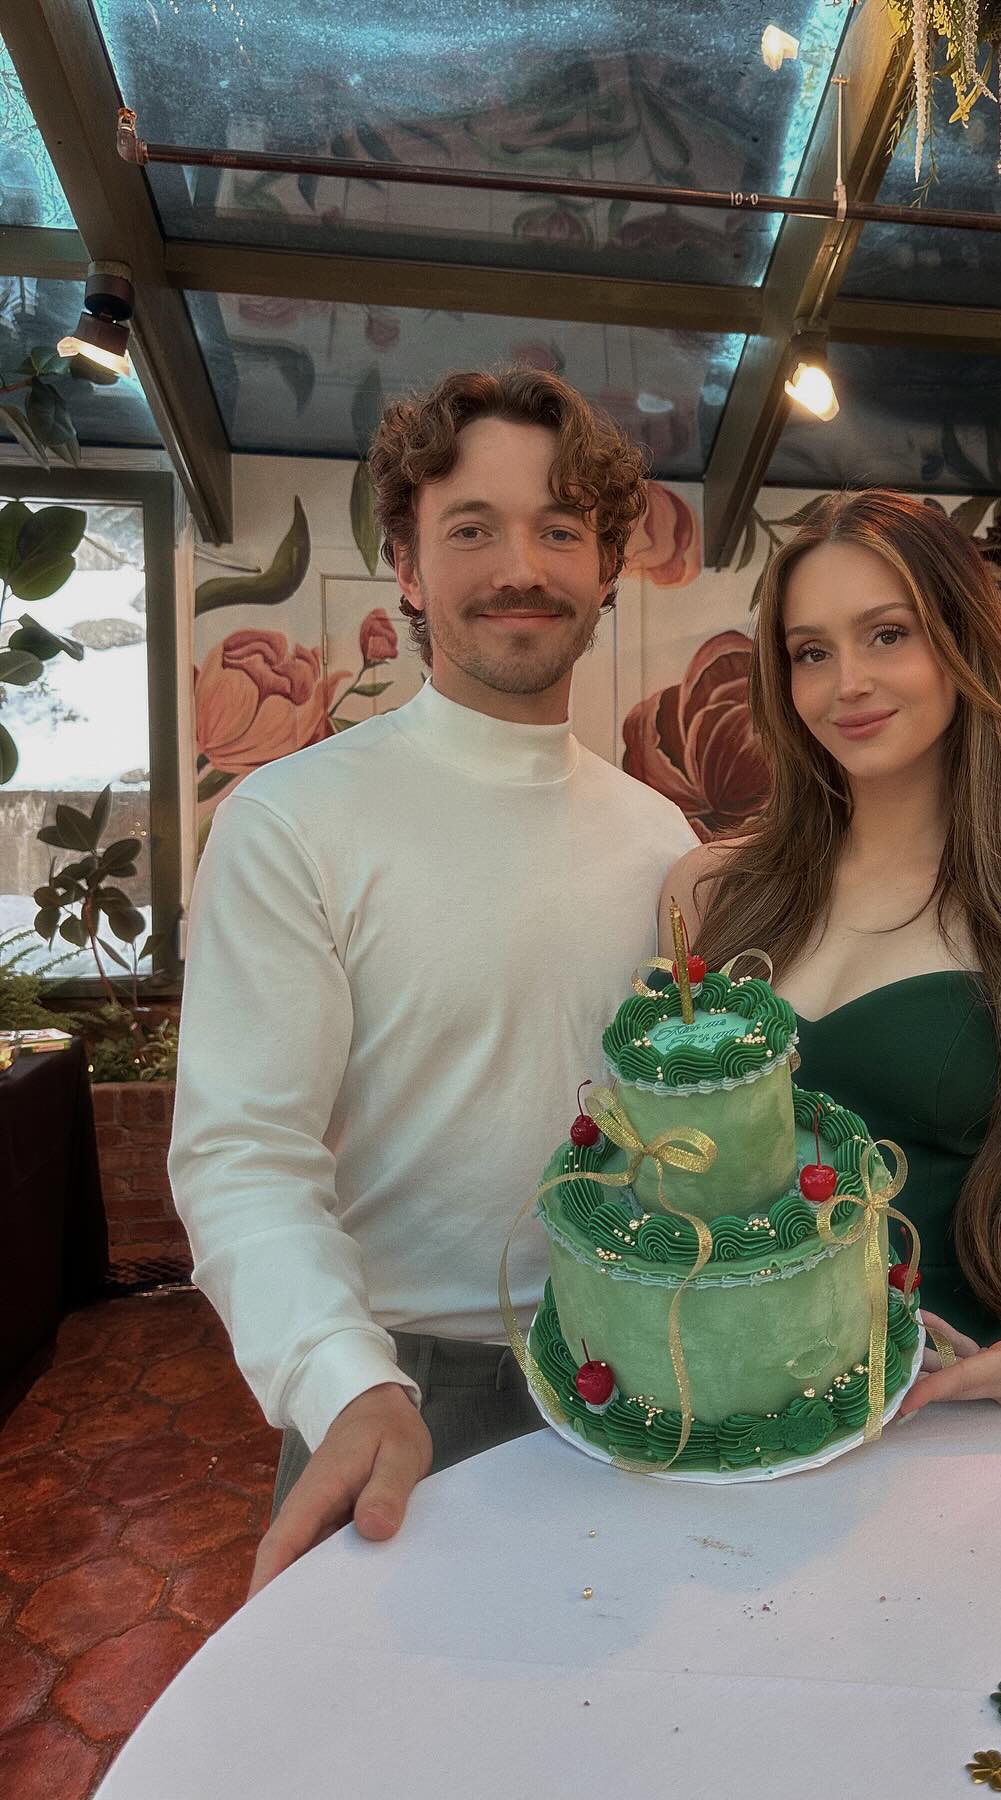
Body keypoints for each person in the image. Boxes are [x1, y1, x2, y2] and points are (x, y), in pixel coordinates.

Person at [170, 368, 696, 1598]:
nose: (522, 565)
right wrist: (344, 1380)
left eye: (560, 529)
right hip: (396, 1390)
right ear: (406, 567)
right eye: (472, 529)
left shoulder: (663, 839)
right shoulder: (293, 820)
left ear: (606, 567)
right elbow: (241, 1152)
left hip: (632, 1367)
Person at [664, 490, 1001, 1409]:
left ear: (961, 645)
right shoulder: (710, 894)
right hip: (753, 1406)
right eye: (811, 653)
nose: (849, 685)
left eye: (888, 635)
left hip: (988, 1399)